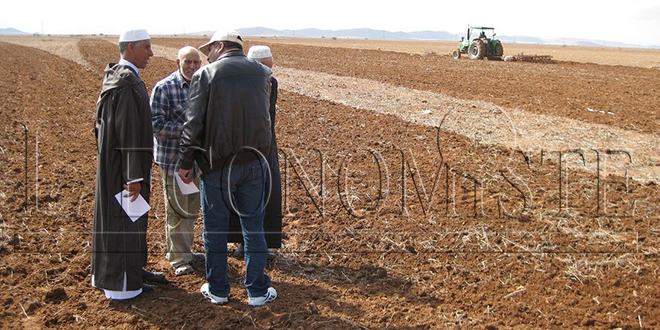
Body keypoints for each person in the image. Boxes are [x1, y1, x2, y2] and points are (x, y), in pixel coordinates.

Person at [178, 30, 277, 306]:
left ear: (220, 46)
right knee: (253, 227)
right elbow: (267, 118)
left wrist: (186, 162)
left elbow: (193, 124)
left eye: (209, 49)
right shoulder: (261, 73)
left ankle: (219, 289)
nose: (206, 55)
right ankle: (257, 291)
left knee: (215, 229)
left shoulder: (205, 75)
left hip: (217, 167)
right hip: (255, 162)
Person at [91, 29, 166, 300]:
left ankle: (133, 270)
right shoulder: (127, 83)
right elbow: (129, 131)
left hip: (116, 167)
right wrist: (134, 176)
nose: (151, 53)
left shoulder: (117, 78)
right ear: (131, 48)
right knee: (123, 223)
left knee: (132, 221)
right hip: (125, 174)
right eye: (146, 47)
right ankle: (122, 285)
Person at [150, 46, 204, 277]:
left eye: (196, 63)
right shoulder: (164, 88)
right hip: (173, 161)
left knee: (191, 207)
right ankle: (179, 258)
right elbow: (157, 126)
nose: (192, 67)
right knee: (177, 209)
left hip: (198, 162)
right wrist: (190, 130)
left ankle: (185, 250)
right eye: (187, 62)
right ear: (177, 63)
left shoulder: (203, 86)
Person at [231, 45, 281, 260]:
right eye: (264, 68)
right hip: (241, 146)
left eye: (270, 68)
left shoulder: (272, 83)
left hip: (266, 144)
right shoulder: (236, 84)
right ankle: (242, 243)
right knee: (243, 194)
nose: (268, 72)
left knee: (268, 192)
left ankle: (262, 243)